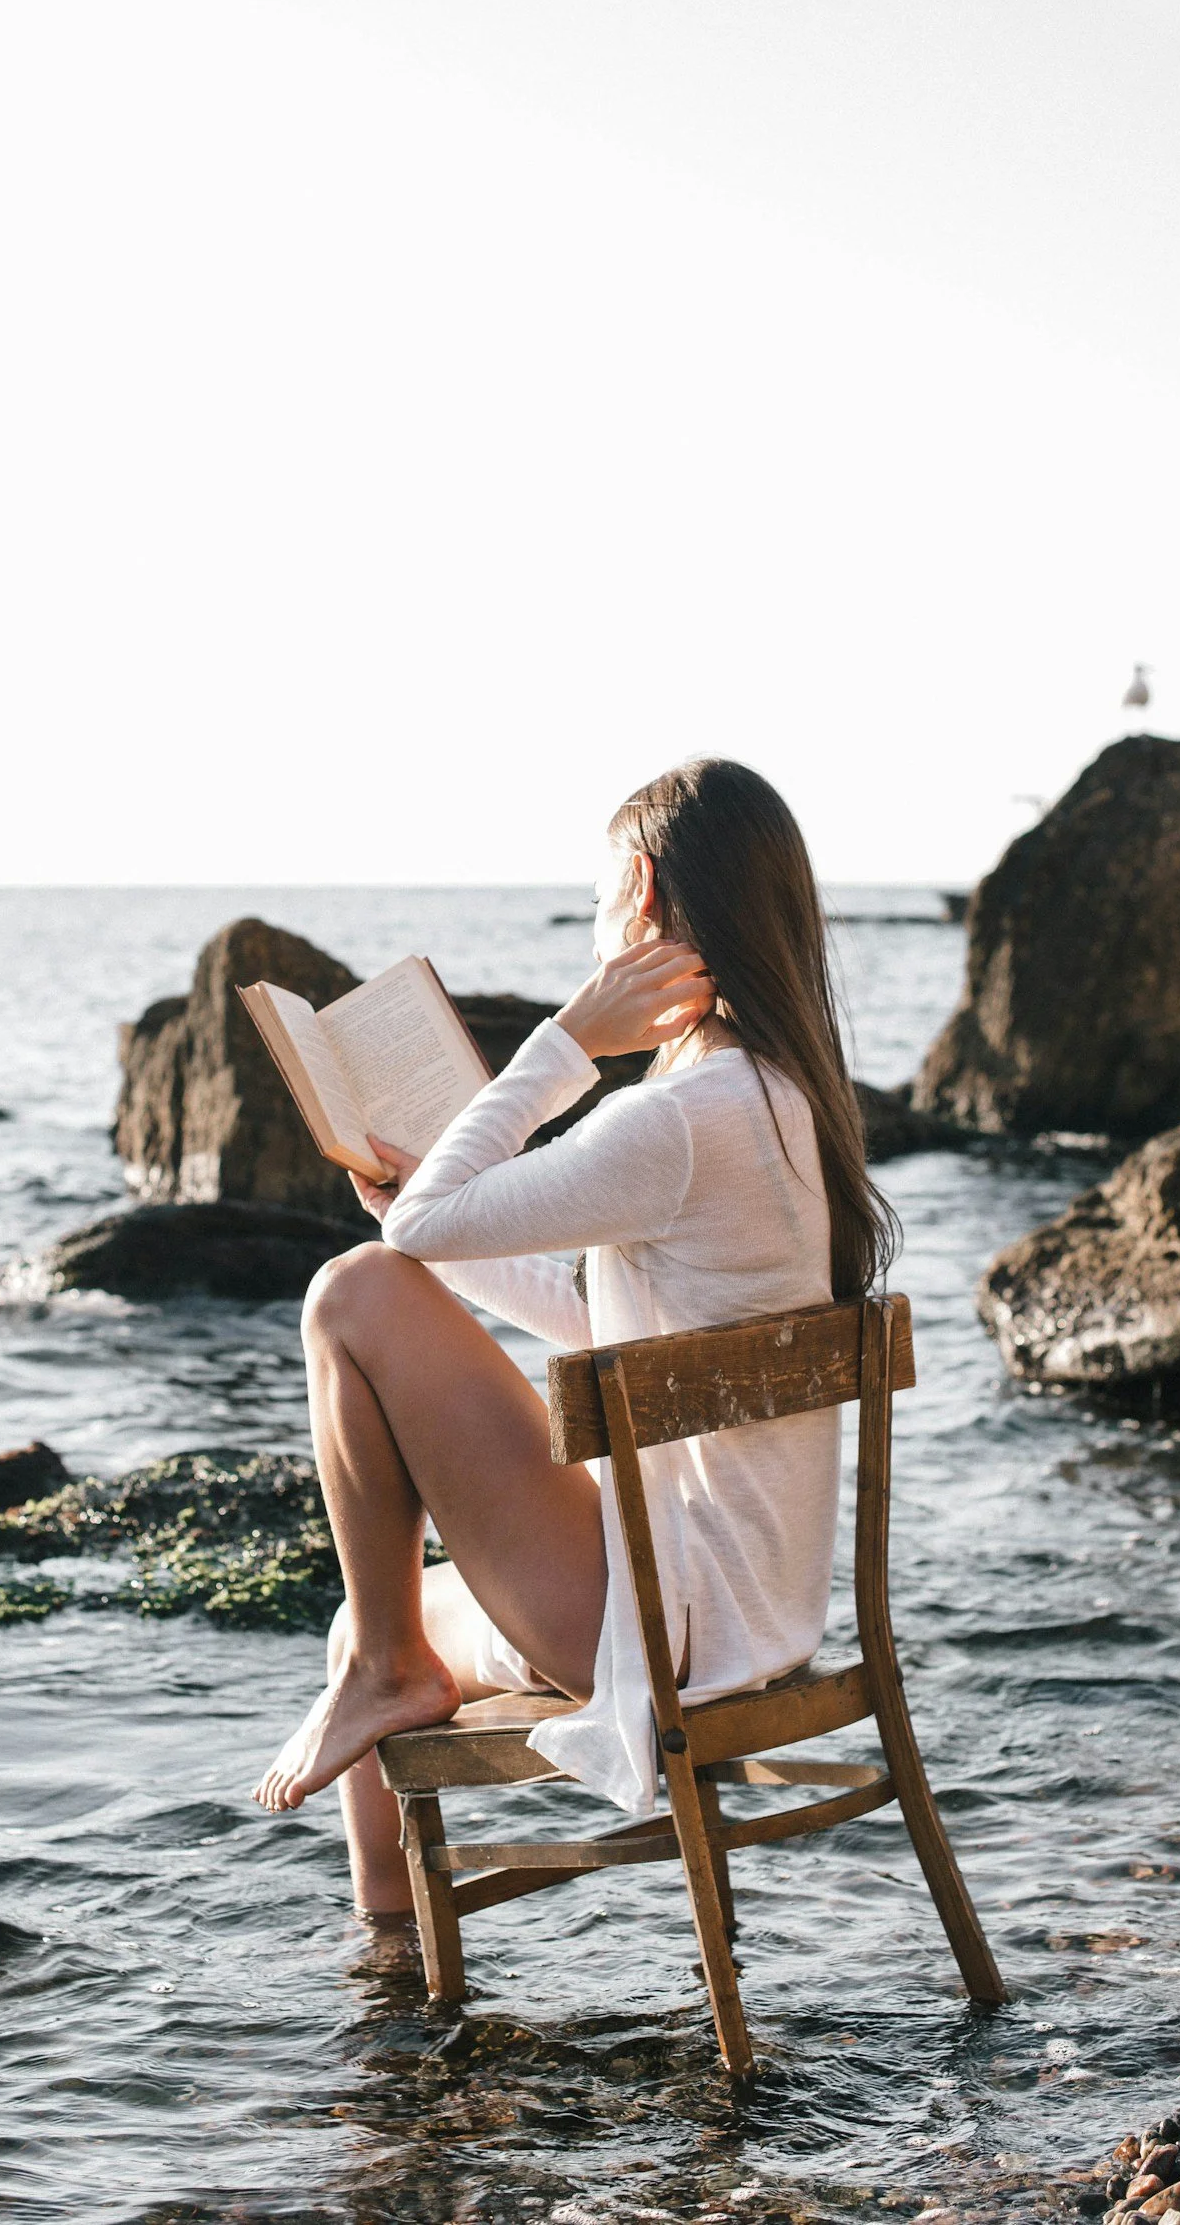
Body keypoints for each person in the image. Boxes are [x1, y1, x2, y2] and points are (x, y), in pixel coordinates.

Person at [252, 757, 896, 1935]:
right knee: (362, 1624)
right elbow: (607, 1321)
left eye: (604, 895)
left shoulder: (680, 1115)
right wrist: (424, 1223)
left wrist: (563, 1044)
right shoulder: (780, 1098)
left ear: (642, 898)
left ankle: (393, 1985)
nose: (597, 920)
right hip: (749, 1609)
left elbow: (421, 1227)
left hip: (665, 1617)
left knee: (351, 1292)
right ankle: (393, 1938)